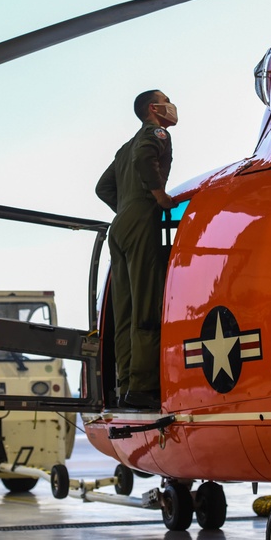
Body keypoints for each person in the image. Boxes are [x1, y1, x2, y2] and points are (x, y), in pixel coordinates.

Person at [95, 90, 178, 410]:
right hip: (142, 219)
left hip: (120, 227)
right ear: (153, 109)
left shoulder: (122, 148)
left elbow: (103, 187)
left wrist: (125, 208)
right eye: (167, 101)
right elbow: (147, 157)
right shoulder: (155, 134)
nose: (172, 106)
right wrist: (158, 198)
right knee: (146, 306)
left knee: (126, 311)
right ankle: (143, 388)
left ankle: (125, 384)